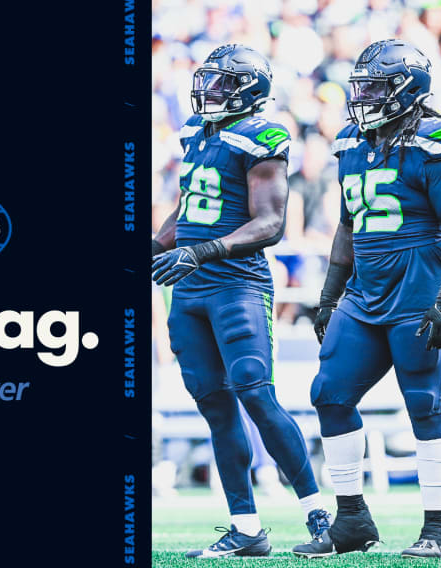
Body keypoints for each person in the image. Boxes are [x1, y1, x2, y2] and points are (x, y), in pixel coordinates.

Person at [292, 39, 441, 559]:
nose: (364, 96)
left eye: (376, 86)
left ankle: (439, 529)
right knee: (329, 392)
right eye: (362, 85)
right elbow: (349, 223)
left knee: (423, 403)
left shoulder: (436, 141)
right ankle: (351, 520)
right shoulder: (352, 141)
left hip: (419, 284)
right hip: (365, 287)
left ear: (407, 91)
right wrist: (329, 296)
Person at [150, 44, 330, 559]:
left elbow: (271, 223)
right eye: (207, 80)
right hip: (189, 289)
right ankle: (246, 528)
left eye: (221, 83)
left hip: (237, 284)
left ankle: (317, 513)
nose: (208, 91)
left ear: (248, 90)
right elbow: (189, 209)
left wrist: (202, 251)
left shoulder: (262, 137)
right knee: (213, 403)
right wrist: (158, 246)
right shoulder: (195, 131)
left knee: (255, 392)